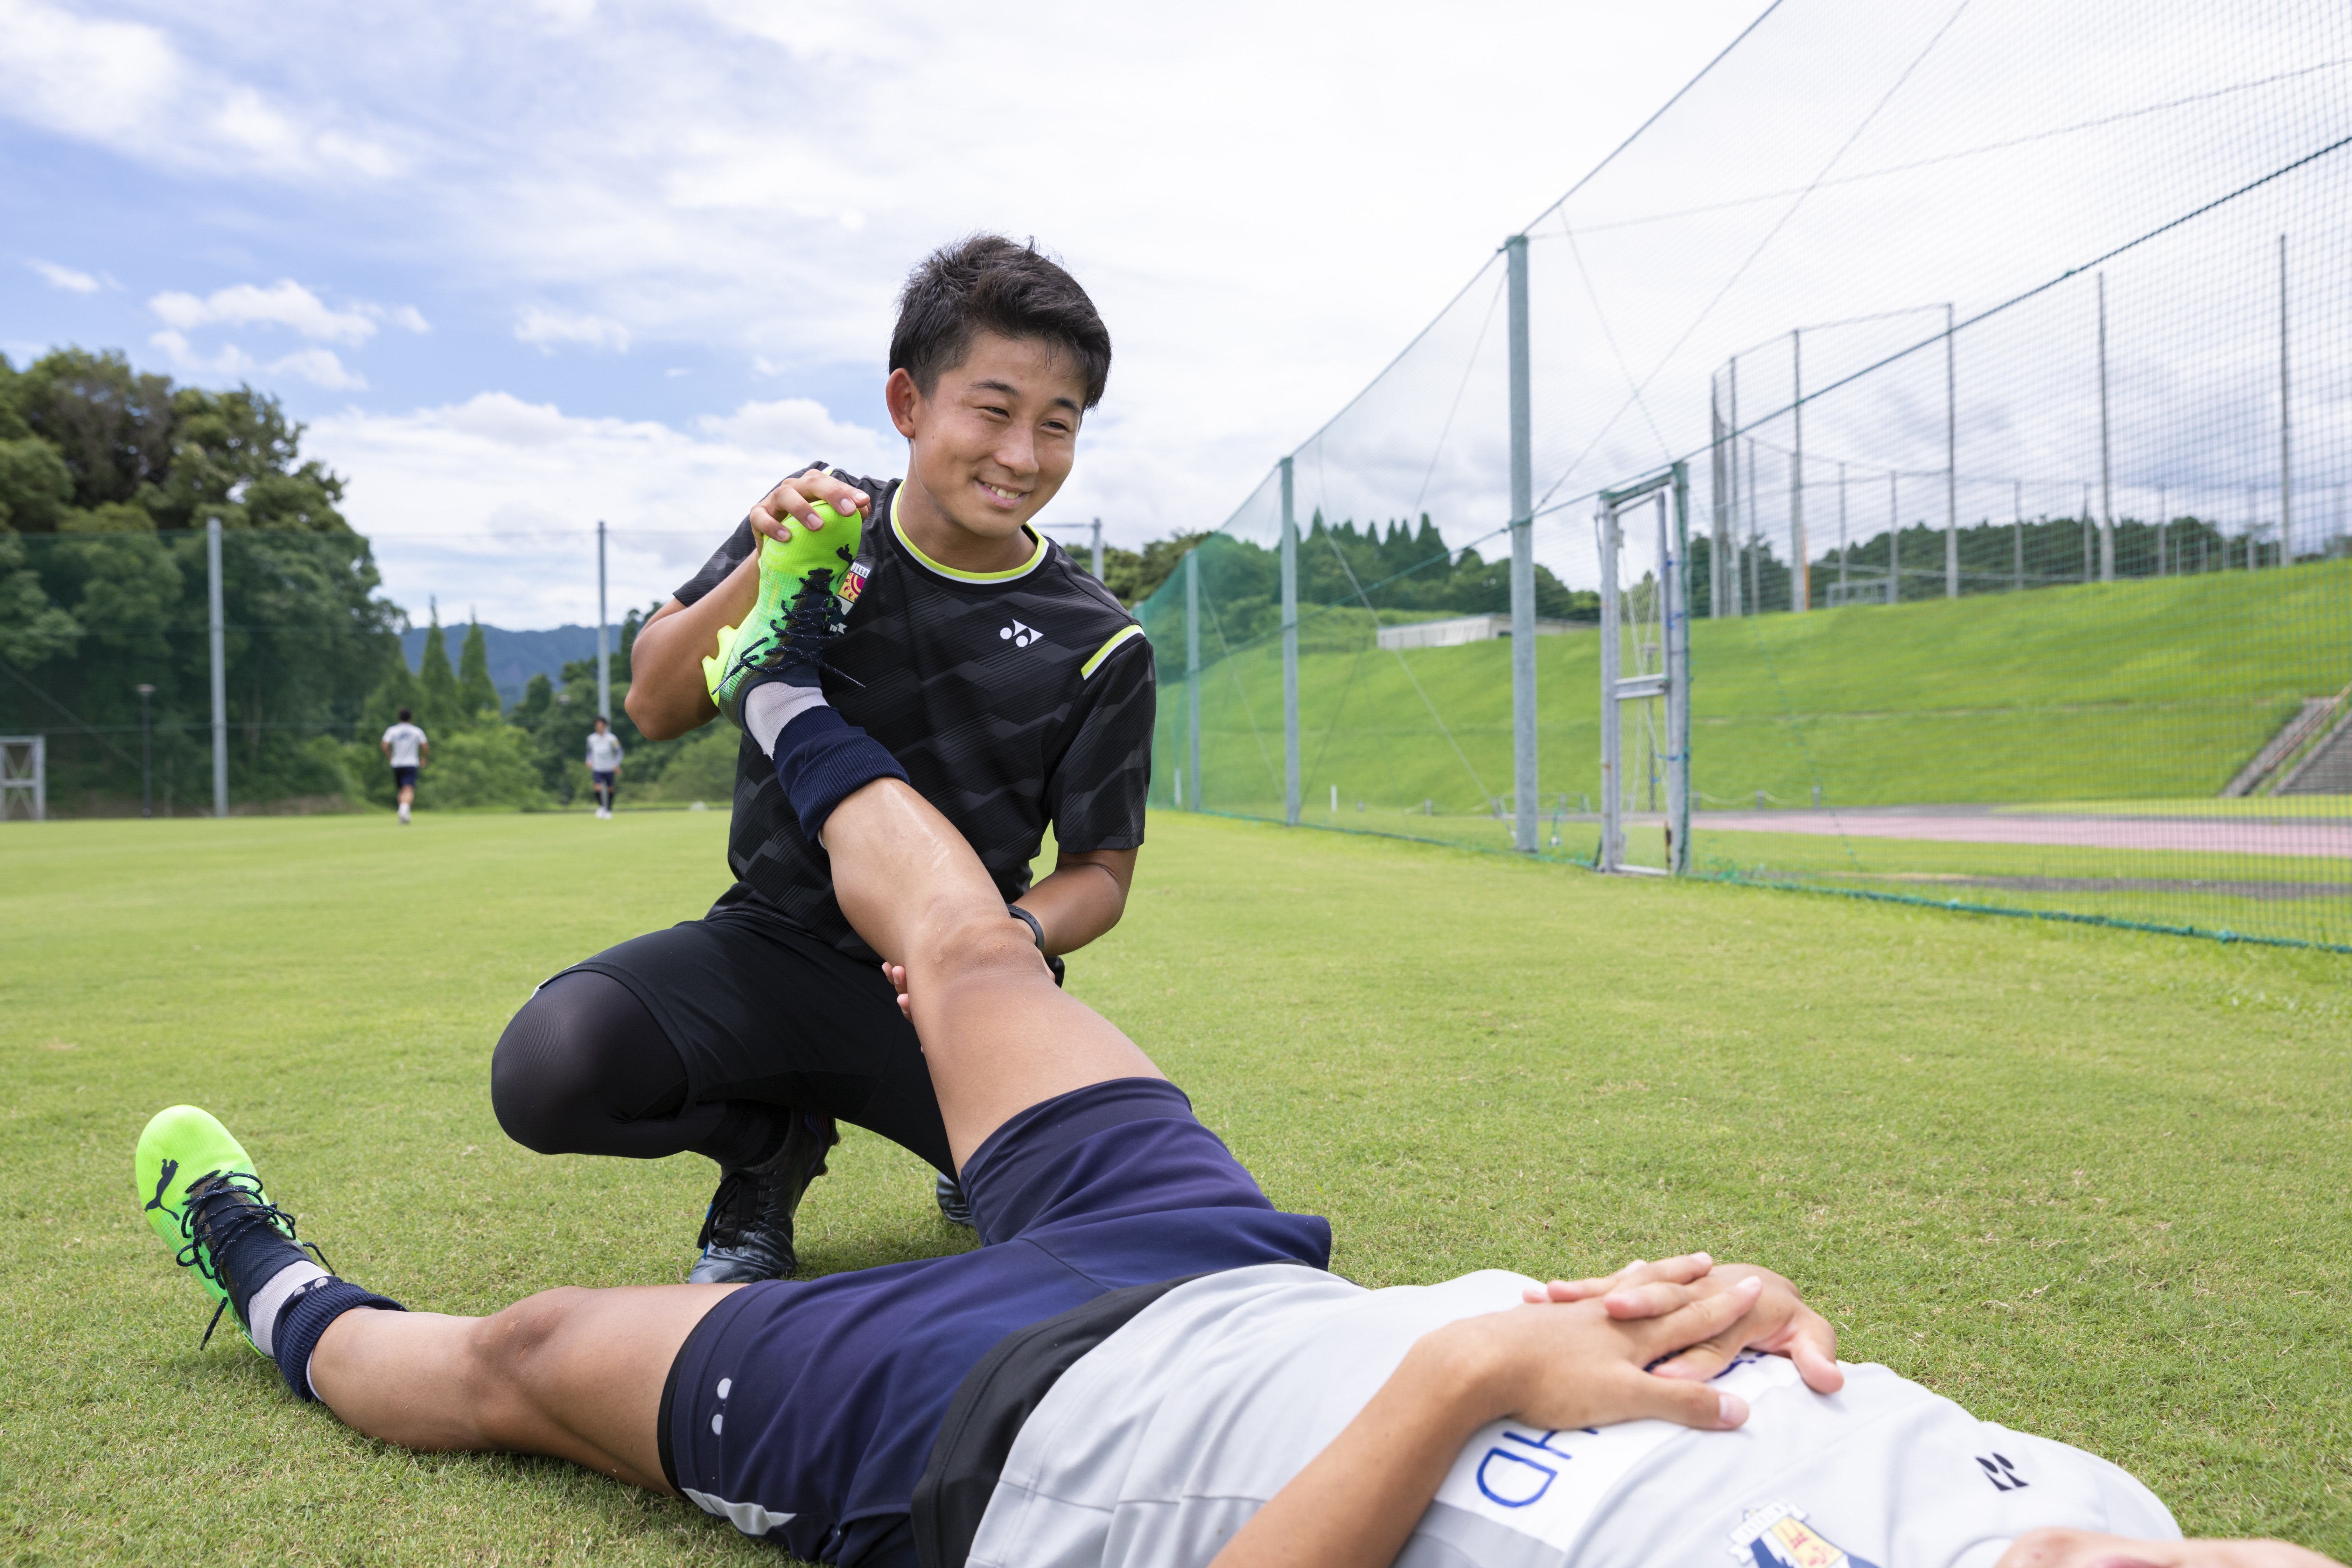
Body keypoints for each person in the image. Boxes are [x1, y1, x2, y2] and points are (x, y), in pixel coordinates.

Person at [136, 687, 2339, 1568]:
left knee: (528, 1353)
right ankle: (794, 686)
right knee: (980, 962)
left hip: (1016, 1425)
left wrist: (1478, 1365)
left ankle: (252, 1250)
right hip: (1235, 1272)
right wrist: (1673, 1305)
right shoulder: (2102, 1502)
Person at [486, 234, 1153, 1281]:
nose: (1021, 455)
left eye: (1056, 425)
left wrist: (1012, 934)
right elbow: (654, 702)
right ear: (908, 403)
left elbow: (1100, 873)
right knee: (549, 1068)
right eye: (992, 409)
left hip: (951, 979)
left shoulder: (1099, 638)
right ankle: (767, 1147)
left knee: (1096, 1222)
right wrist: (763, 565)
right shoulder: (817, 519)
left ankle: (978, 1150)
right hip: (770, 944)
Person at [379, 707, 428, 825]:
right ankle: (404, 811)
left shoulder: (392, 731)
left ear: (399, 717)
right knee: (409, 789)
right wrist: (424, 758)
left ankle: (403, 813)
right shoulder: (417, 731)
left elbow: (384, 746)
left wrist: (391, 757)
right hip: (411, 763)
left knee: (402, 790)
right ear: (411, 718)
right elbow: (425, 746)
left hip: (397, 764)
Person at [585, 715, 624, 819]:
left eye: (602, 726)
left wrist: (616, 764)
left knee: (610, 789)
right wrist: (588, 760)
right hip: (597, 768)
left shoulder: (612, 739)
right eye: (598, 726)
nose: (600, 728)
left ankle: (609, 810)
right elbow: (589, 752)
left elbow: (619, 752)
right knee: (598, 787)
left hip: (609, 768)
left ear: (605, 726)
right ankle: (602, 807)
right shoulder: (591, 739)